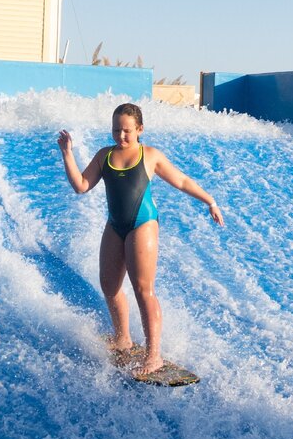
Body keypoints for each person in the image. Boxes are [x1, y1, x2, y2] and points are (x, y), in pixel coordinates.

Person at [58, 103, 224, 377]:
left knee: (142, 290)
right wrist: (67, 154)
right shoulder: (104, 155)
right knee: (109, 286)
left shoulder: (150, 155)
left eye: (126, 131)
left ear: (139, 129)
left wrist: (210, 201)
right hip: (115, 225)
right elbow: (81, 186)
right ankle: (123, 338)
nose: (121, 136)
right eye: (116, 130)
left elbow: (181, 181)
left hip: (142, 224)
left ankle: (154, 355)